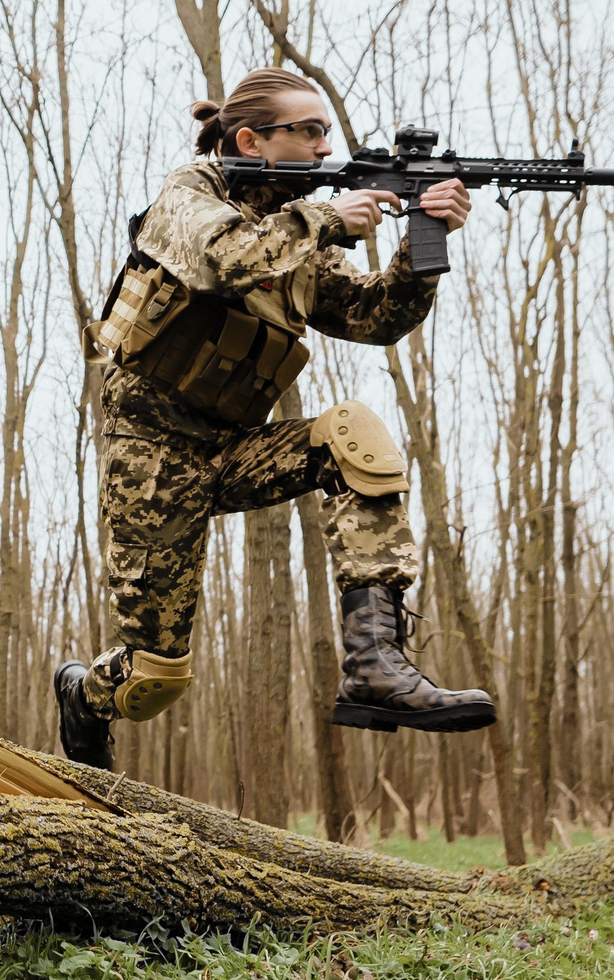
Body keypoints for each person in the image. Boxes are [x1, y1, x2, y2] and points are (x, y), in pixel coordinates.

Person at [54, 66, 494, 769]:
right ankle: (83, 695)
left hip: (235, 448)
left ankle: (375, 663)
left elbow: (371, 316)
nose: (325, 148)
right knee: (153, 679)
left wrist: (422, 242)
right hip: (153, 458)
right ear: (251, 140)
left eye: (327, 132)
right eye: (309, 131)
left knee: (353, 435)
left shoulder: (299, 236)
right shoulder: (189, 194)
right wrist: (330, 217)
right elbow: (223, 259)